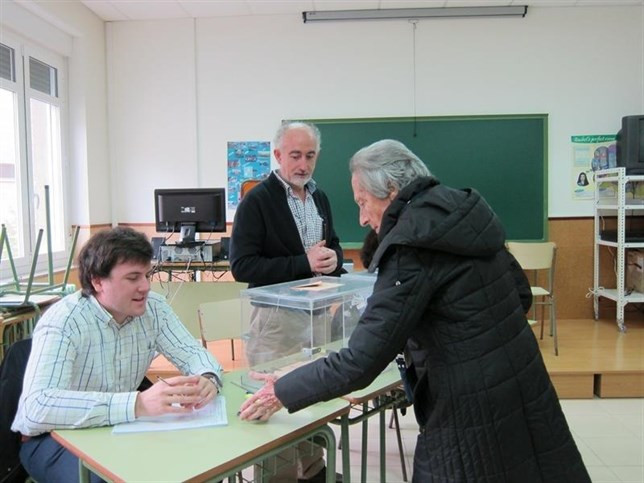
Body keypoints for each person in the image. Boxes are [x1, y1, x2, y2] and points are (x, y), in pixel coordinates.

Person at [239, 139, 590, 482]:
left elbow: (360, 362)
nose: (361, 218)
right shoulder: (463, 214)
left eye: (362, 202)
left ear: (390, 191)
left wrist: (281, 390)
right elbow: (519, 294)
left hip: (466, 402)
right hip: (520, 376)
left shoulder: (410, 245)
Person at [12, 227, 223, 483]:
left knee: (197, 460)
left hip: (119, 426)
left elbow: (193, 354)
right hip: (54, 436)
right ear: (97, 281)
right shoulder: (65, 320)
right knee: (111, 478)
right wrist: (138, 404)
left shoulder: (153, 308)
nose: (145, 287)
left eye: (147, 275)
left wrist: (208, 377)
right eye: (133, 278)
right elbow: (37, 408)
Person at [230, 120, 344, 483]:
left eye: (310, 156)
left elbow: (333, 244)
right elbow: (242, 266)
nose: (303, 164)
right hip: (277, 324)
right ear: (278, 155)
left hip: (318, 318)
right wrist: (303, 264)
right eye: (295, 155)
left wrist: (334, 260)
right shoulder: (257, 201)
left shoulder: (319, 197)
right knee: (275, 418)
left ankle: (313, 475)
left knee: (311, 412)